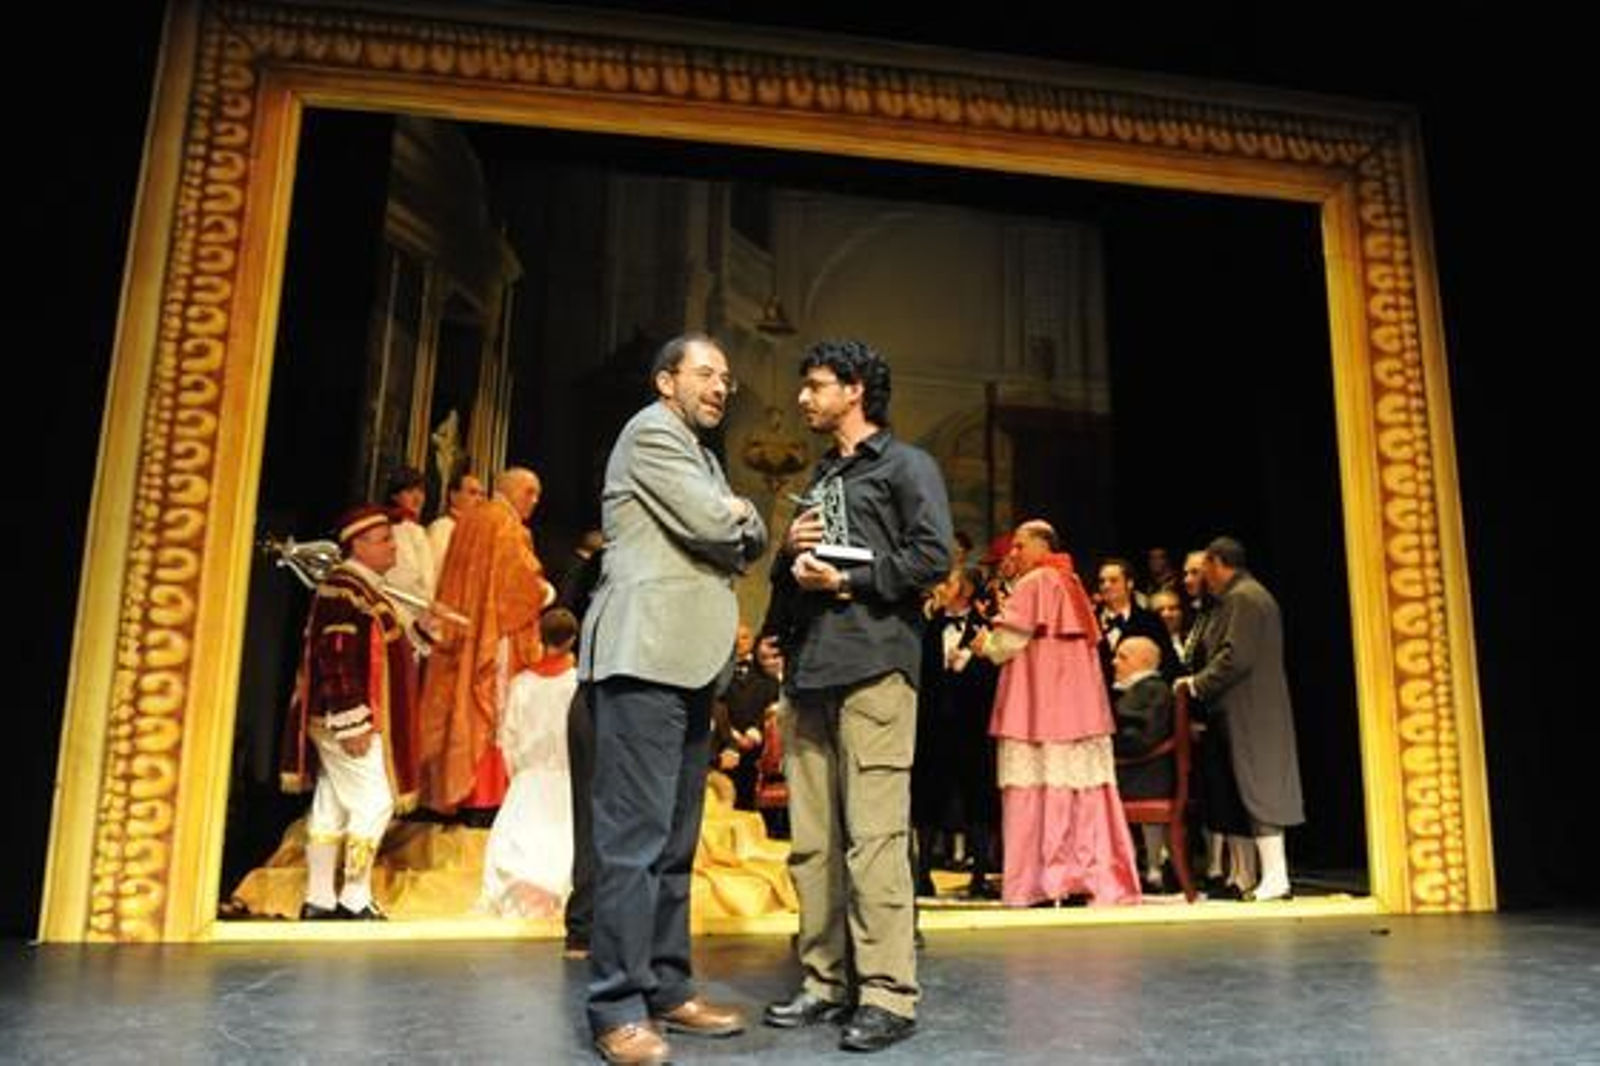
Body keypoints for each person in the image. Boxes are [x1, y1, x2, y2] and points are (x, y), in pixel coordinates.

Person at [758, 338, 952, 1054]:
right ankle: (824, 981)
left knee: (873, 841)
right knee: (813, 845)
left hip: (874, 669)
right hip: (809, 670)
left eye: (815, 386)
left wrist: (847, 581)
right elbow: (799, 570)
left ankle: (888, 994)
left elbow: (931, 558)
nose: (805, 399)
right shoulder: (820, 478)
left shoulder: (907, 466)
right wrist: (778, 607)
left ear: (856, 390)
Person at [578, 333, 767, 1065]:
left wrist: (734, 515)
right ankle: (615, 1005)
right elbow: (719, 526)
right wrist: (738, 512)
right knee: (633, 842)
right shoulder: (652, 432)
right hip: (643, 657)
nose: (721, 387)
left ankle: (665, 985)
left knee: (677, 841)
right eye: (706, 374)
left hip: (688, 662)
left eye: (728, 378)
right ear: (667, 382)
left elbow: (741, 542)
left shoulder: (704, 456)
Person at [973, 520, 1142, 908]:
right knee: (1079, 792)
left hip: (1040, 704)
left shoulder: (1035, 583)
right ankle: (1083, 877)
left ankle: (1042, 883)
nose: (1013, 553)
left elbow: (1008, 643)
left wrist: (985, 645)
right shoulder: (1072, 581)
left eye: (1019, 546)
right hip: (1078, 708)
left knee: (1035, 790)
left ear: (1042, 545)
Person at [278, 505, 435, 920]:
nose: (393, 547)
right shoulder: (345, 589)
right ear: (359, 545)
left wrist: (422, 632)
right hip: (349, 717)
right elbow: (336, 654)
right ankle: (353, 895)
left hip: (350, 715)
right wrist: (351, 718)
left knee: (331, 803)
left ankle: (318, 898)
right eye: (384, 539)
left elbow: (386, 653)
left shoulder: (366, 589)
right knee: (374, 801)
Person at [416, 467, 552, 818]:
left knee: (463, 705)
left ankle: (459, 792)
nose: (534, 501)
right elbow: (518, 587)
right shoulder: (507, 526)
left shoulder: (471, 520)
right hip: (497, 635)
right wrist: (545, 592)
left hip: (466, 632)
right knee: (495, 709)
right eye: (529, 492)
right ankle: (486, 796)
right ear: (508, 490)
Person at [1176, 536, 1304, 902]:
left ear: (1217, 563)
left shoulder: (1244, 597)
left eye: (1205, 571)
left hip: (1253, 710)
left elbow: (1236, 656)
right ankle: (1267, 877)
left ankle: (1277, 878)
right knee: (1249, 790)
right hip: (1243, 708)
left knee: (1260, 786)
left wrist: (1196, 684)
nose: (1204, 580)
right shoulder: (1238, 598)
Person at [479, 607, 581, 918]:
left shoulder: (522, 682)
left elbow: (508, 736)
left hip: (528, 778)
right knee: (561, 840)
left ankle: (520, 898)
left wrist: (518, 775)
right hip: (567, 776)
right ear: (573, 639)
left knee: (520, 840)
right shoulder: (577, 683)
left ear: (540, 636)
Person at [1110, 635, 1176, 893]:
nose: (1114, 662)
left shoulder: (1152, 690)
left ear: (1145, 661)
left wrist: (1106, 746)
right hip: (1139, 772)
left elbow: (1143, 739)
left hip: (1143, 776)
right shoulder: (1138, 691)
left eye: (1122, 657)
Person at [426, 469, 486, 585]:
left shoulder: (478, 532)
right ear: (453, 496)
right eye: (473, 493)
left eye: (482, 494)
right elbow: (434, 574)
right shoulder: (442, 527)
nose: (479, 500)